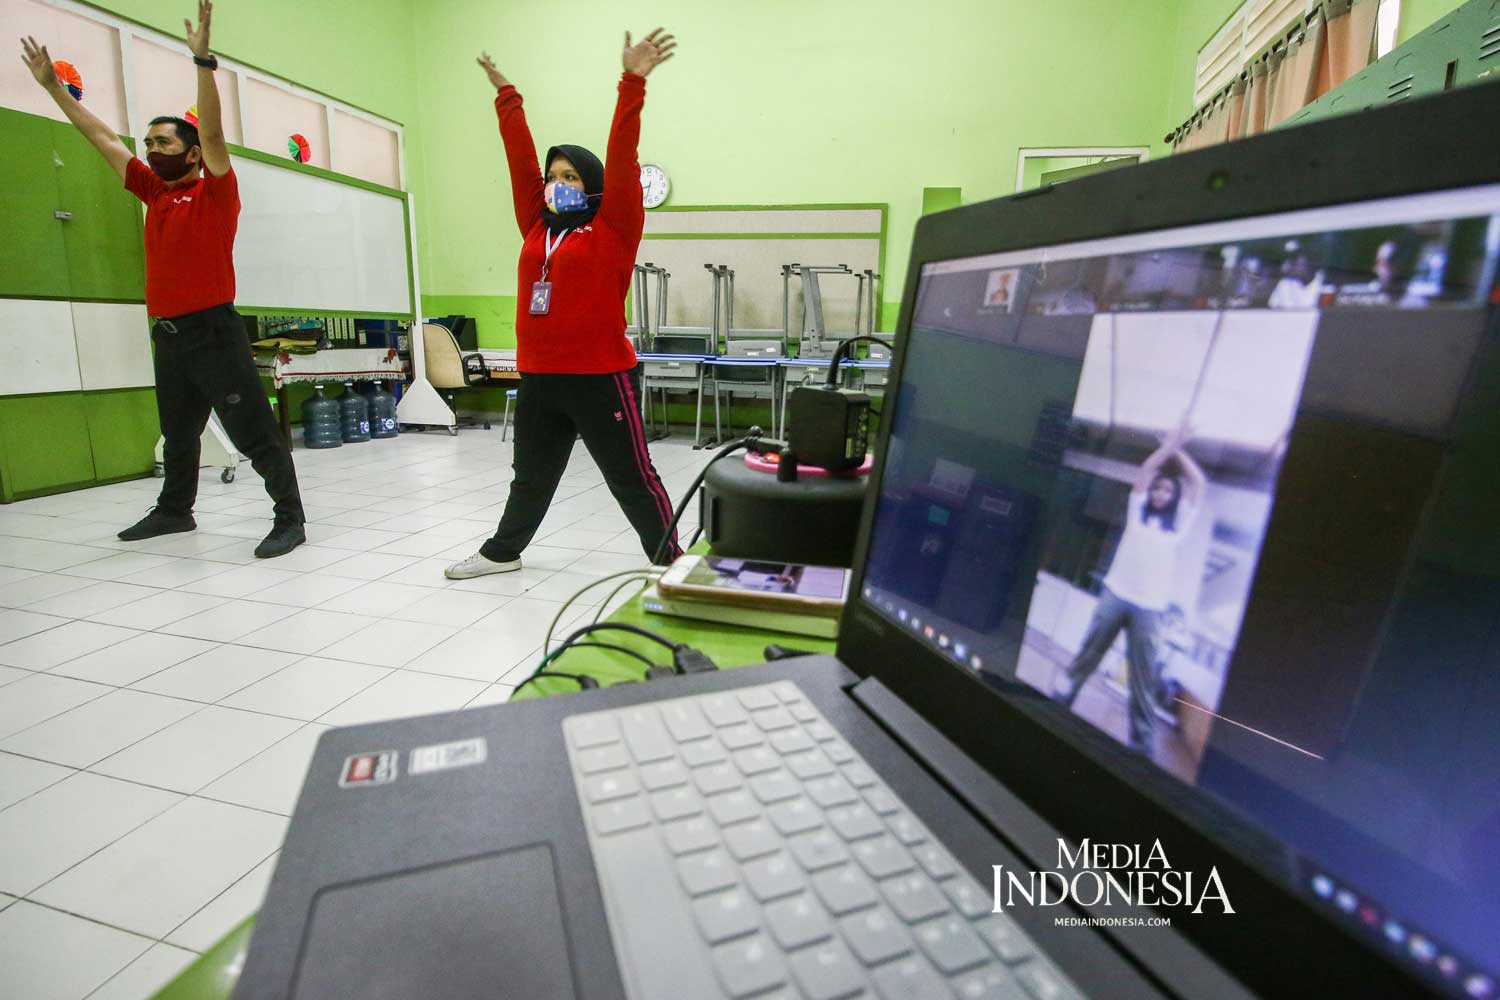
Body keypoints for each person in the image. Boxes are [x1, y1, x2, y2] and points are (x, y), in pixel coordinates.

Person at [19, 2, 305, 558]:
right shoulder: (155, 192)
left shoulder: (215, 192)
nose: (151, 151)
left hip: (215, 332)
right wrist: (55, 89)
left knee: (253, 434)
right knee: (178, 433)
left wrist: (202, 62)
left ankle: (289, 518)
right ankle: (176, 511)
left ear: (193, 154)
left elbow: (217, 133)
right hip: (169, 334)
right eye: (148, 144)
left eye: (163, 143)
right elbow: (103, 139)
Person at [446, 29, 682, 580]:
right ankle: (502, 553)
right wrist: (508, 98)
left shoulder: (614, 226)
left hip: (600, 377)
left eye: (570, 176)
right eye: (553, 178)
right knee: (530, 475)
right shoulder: (536, 226)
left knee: (632, 478)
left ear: (592, 185)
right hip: (540, 377)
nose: (557, 185)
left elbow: (624, 156)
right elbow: (518, 160)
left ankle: (672, 561)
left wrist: (632, 82)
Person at [1051, 421, 1207, 753]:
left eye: (1167, 490)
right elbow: (1147, 469)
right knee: (1087, 654)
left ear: (1174, 498)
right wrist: (1167, 446)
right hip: (1116, 594)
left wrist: (1178, 447)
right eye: (1158, 489)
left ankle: (1141, 743)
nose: (1161, 493)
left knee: (1143, 677)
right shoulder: (1137, 514)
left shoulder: (1177, 530)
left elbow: (1200, 484)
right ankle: (1059, 700)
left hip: (1150, 608)